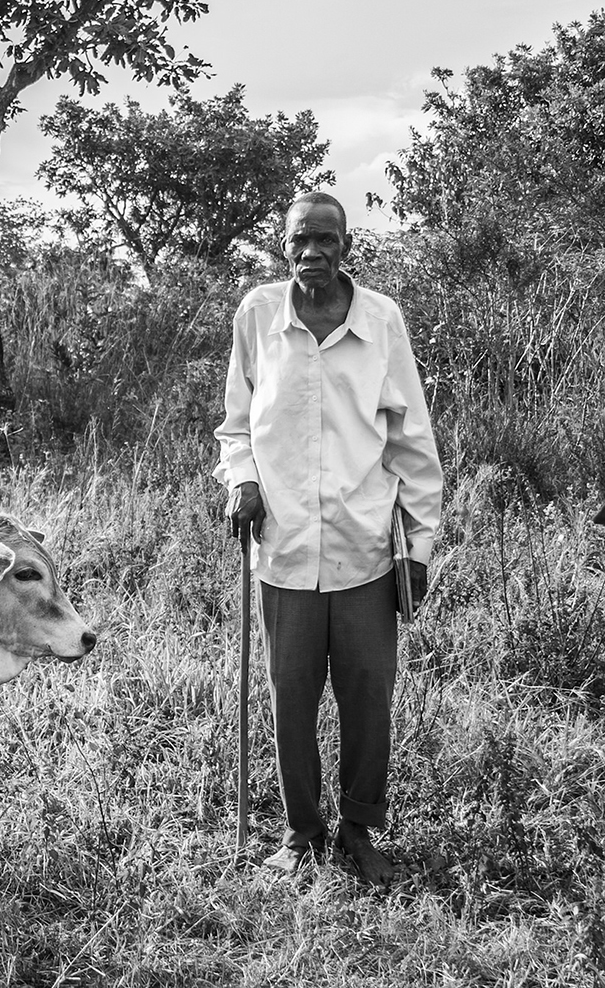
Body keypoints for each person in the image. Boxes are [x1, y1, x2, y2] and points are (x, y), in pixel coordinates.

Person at [213, 192, 443, 884]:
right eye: (300, 241)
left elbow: (412, 441)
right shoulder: (258, 314)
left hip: (367, 547)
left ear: (347, 246)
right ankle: (301, 831)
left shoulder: (381, 320)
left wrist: (419, 545)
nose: (313, 253)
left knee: (368, 694)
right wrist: (242, 482)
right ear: (282, 246)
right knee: (291, 695)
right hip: (282, 550)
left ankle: (361, 830)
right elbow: (235, 427)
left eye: (327, 240)